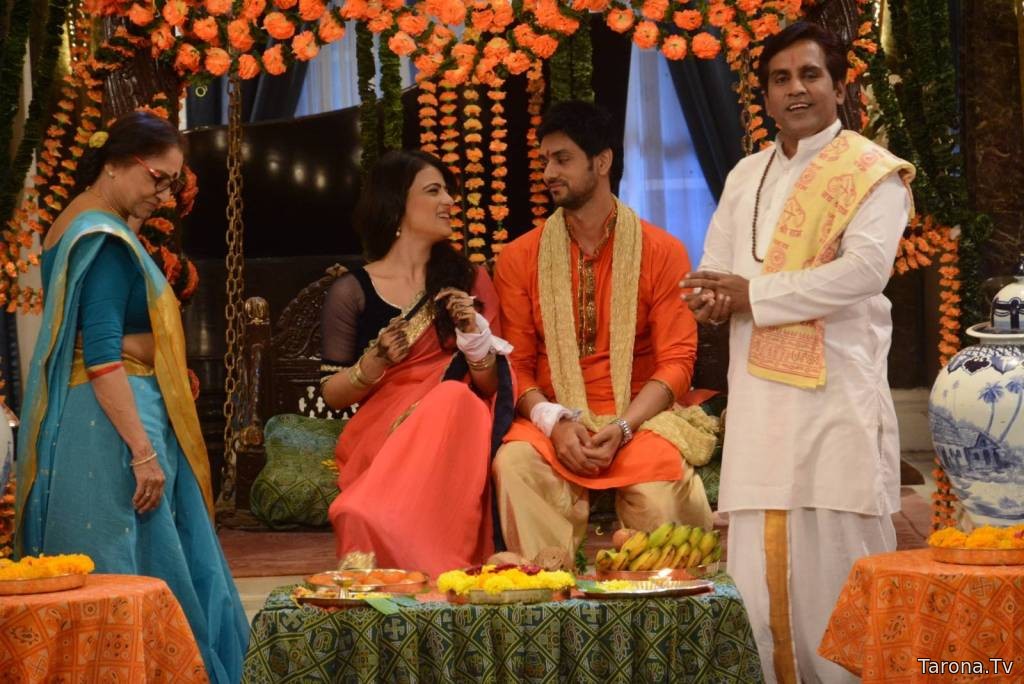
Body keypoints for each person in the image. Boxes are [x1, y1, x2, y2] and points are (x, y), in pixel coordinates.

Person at [680, 22, 915, 684]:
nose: (796, 89)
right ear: (765, 96)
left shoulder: (872, 173)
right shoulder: (745, 174)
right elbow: (717, 267)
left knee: (838, 567)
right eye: (780, 79)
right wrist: (710, 299)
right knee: (758, 582)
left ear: (839, 86)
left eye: (810, 75)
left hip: (833, 400)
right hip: (761, 407)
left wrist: (750, 295)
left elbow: (862, 274)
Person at [16, 112, 249, 683]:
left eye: (172, 183)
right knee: (132, 566)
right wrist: (143, 452)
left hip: (96, 418)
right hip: (115, 424)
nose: (164, 195)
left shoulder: (74, 221)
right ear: (116, 164)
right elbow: (101, 356)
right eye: (158, 178)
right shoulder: (104, 238)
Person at [492, 100, 716, 562]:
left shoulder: (662, 251)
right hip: (556, 424)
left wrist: (623, 426)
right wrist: (554, 424)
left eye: (562, 159)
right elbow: (516, 364)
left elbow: (677, 361)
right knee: (514, 464)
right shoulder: (518, 258)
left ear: (602, 161)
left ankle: (664, 601)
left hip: (641, 419)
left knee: (662, 501)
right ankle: (546, 590)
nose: (549, 173)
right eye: (545, 161)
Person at [321, 149, 514, 577]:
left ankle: (432, 559)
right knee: (448, 398)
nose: (449, 201)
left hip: (459, 427)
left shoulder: (469, 281)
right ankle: (379, 525)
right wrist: (373, 363)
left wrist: (472, 335)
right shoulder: (352, 291)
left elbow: (489, 386)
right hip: (384, 431)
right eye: (434, 191)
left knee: (453, 396)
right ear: (396, 204)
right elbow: (331, 395)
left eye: (448, 191)